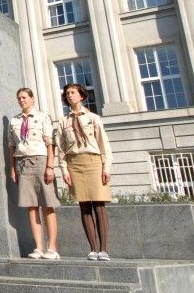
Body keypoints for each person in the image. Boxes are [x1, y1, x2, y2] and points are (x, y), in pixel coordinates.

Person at [57, 83, 113, 261]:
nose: (70, 96)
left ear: (81, 95)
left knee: (99, 205)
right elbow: (61, 148)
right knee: (84, 206)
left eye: (73, 93)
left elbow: (103, 144)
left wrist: (107, 167)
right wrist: (64, 170)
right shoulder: (63, 121)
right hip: (75, 163)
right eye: (67, 94)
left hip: (93, 161)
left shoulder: (93, 118)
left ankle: (103, 249)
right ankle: (93, 248)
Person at [8, 88, 60, 260]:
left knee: (47, 205)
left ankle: (52, 248)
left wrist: (50, 167)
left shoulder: (43, 117)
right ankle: (38, 247)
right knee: (31, 206)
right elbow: (12, 147)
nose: (21, 100)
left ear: (32, 99)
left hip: (40, 160)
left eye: (24, 97)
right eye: (19, 98)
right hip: (22, 162)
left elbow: (50, 143)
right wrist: (13, 167)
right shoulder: (14, 121)